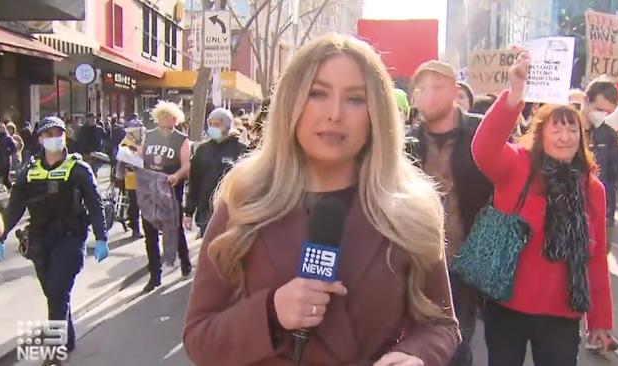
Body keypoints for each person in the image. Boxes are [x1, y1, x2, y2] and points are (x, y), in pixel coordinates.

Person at [183, 34, 459, 366]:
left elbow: (441, 324)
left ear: (376, 113)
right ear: (291, 103)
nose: (335, 114)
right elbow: (200, 338)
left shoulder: (411, 209)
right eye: (317, 93)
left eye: (355, 99)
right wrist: (271, 312)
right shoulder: (245, 200)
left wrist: (416, 356)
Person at [472, 51, 613, 366]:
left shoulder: (592, 189)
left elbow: (597, 256)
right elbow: (483, 149)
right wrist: (515, 95)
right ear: (541, 133)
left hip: (562, 315)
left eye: (572, 129)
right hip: (507, 306)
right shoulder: (518, 166)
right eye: (556, 129)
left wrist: (600, 319)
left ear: (582, 135)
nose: (565, 137)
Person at [0, 116, 109, 364]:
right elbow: (15, 207)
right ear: (40, 139)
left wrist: (101, 237)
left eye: (58, 133)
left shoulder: (78, 168)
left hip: (70, 238)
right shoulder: (29, 171)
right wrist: (1, 236)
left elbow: (95, 203)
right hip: (39, 239)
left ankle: (55, 349)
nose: (53, 138)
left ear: (64, 136)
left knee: (58, 288)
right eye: (48, 134)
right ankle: (67, 338)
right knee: (53, 292)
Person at [407, 60, 492, 366]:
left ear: (455, 92)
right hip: (419, 259)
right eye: (422, 89)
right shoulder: (407, 141)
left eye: (437, 87)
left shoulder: (480, 131)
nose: (428, 96)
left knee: (457, 343)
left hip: (466, 257)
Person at [140, 101, 192, 292]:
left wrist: (176, 176)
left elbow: (186, 164)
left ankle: (185, 262)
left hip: (171, 189)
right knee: (150, 232)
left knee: (174, 229)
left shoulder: (181, 139)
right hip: (150, 188)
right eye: (161, 124)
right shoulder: (150, 135)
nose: (165, 129)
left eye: (169, 125)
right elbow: (141, 157)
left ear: (175, 121)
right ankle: (155, 275)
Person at [584, 76, 618, 247]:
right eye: (597, 109)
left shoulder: (609, 127)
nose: (599, 115)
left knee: (600, 246)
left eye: (605, 111)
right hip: (574, 199)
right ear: (587, 101)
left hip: (603, 198)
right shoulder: (571, 126)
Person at [184, 108, 247, 238]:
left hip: (232, 211)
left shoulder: (240, 149)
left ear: (227, 125)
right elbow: (194, 182)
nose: (213, 128)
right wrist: (189, 212)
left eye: (217, 124)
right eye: (211, 124)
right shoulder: (202, 150)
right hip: (205, 211)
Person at [0, 123, 17, 189]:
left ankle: (10, 189)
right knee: (1, 176)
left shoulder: (7, 138)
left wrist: (8, 152)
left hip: (5, 160)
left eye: (1, 128)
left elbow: (14, 148)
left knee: (5, 177)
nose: (0, 129)